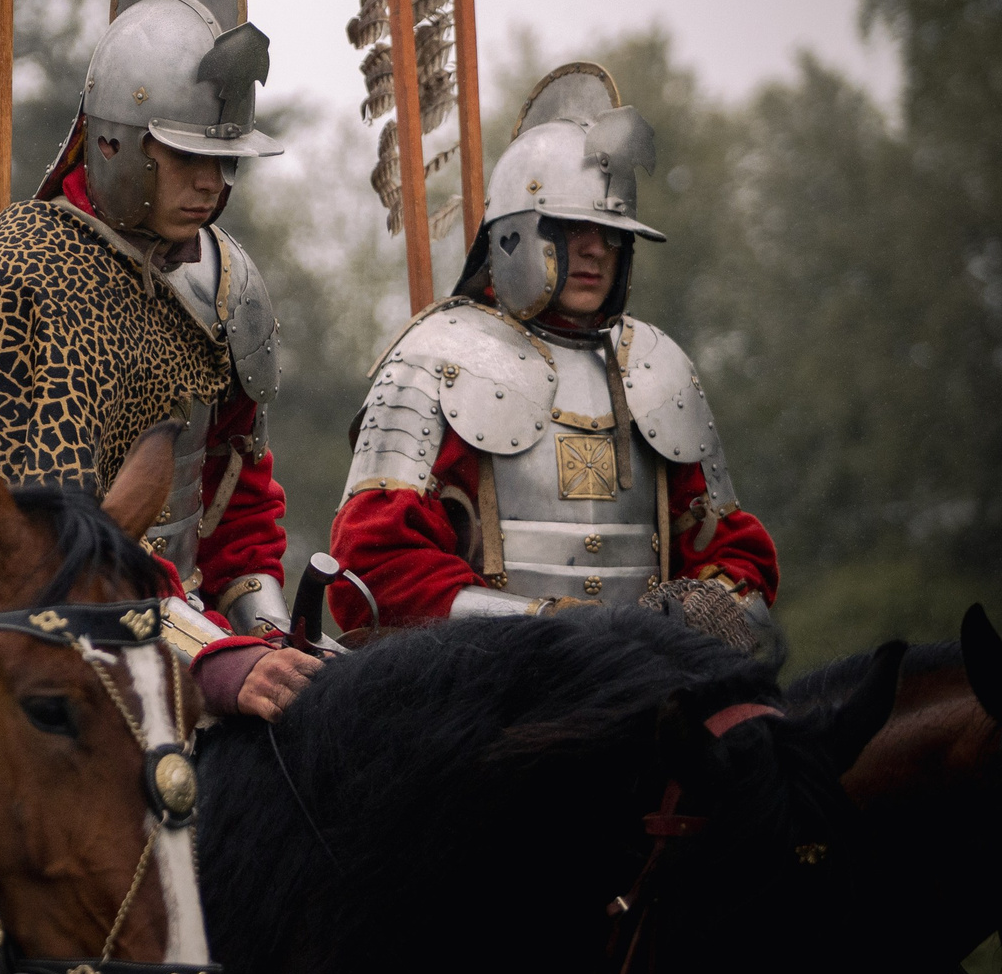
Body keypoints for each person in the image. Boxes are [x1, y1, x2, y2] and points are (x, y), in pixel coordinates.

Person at [0, 0, 318, 720]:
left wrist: (268, 634)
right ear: (115, 143)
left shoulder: (228, 281)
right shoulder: (20, 281)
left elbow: (237, 497)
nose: (210, 183)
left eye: (224, 160)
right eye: (185, 156)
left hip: (202, 635)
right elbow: (47, 553)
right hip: (32, 668)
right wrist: (215, 661)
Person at [327, 63, 779, 649]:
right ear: (516, 234)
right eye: (570, 227)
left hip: (641, 675)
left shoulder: (659, 368)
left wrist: (715, 606)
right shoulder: (437, 358)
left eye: (611, 232)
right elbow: (372, 568)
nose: (596, 250)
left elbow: (734, 553)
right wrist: (546, 624)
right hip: (488, 676)